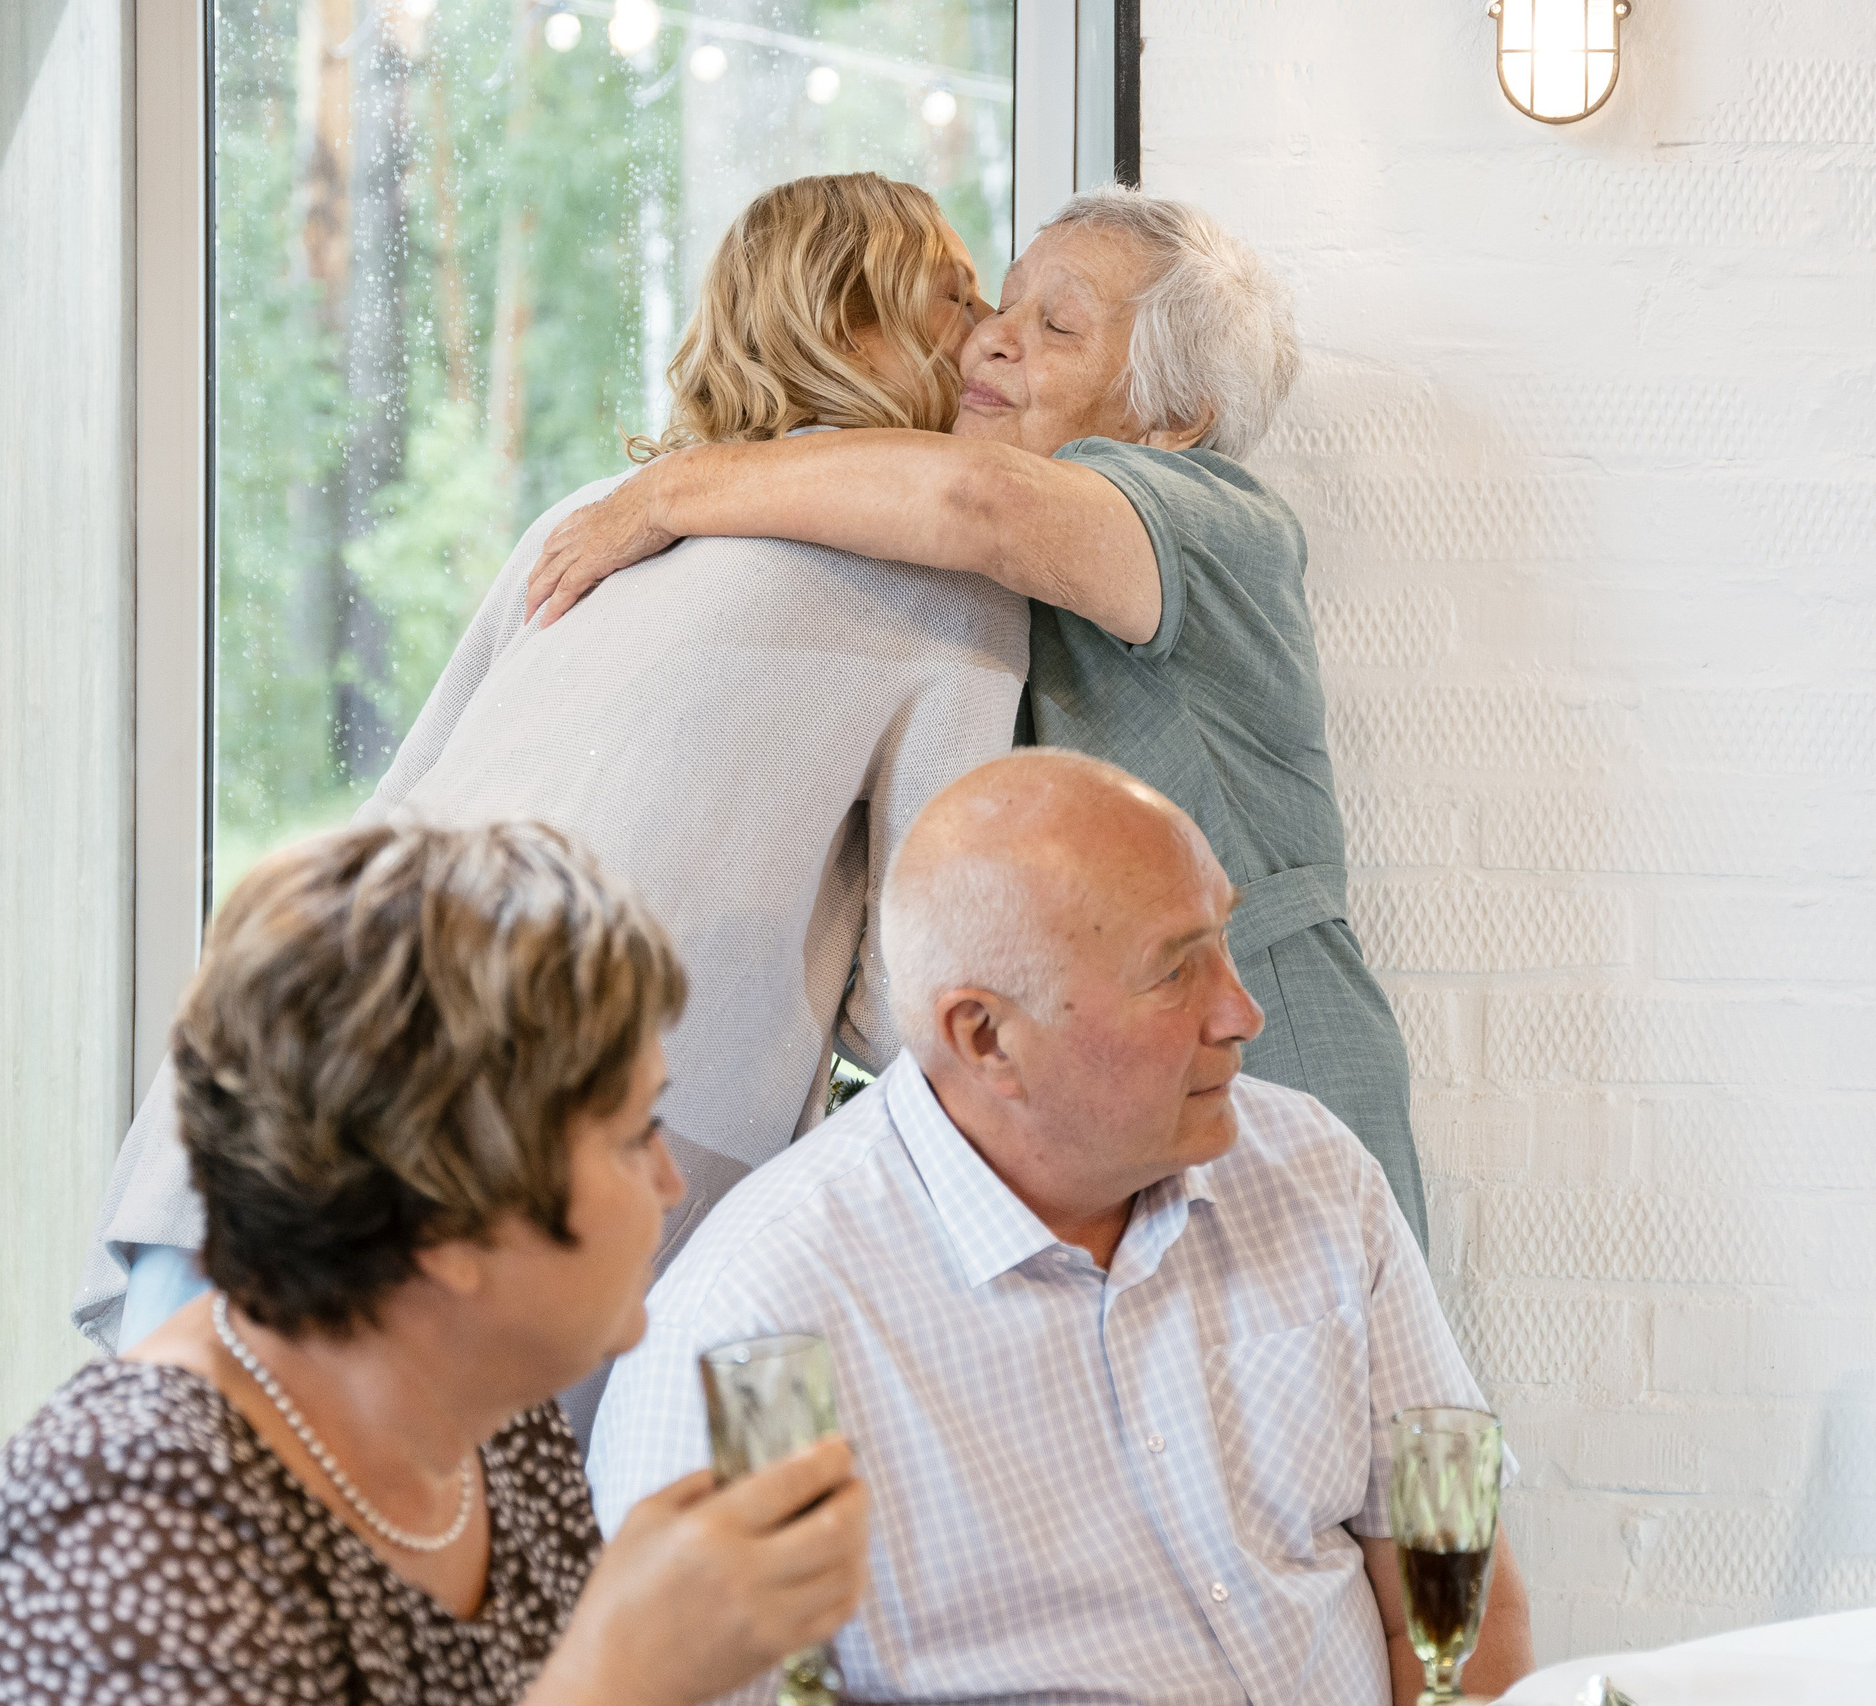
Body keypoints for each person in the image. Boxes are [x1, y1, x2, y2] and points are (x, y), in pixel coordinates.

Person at [74, 174, 1033, 1371]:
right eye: (952, 300)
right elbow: (912, 985)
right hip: (596, 1115)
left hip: (311, 1042)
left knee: (183, 1482)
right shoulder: (948, 576)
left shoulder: (594, 515)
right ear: (849, 325)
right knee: (486, 1515)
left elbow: (404, 791)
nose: (987, 332)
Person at [530, 185, 1429, 1247]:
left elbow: (974, 503)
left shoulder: (1209, 519)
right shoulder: (977, 596)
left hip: (1259, 1060)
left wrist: (664, 494)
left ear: (1171, 416)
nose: (991, 341)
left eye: (1055, 325)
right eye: (999, 307)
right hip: (1093, 1097)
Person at [586, 750, 1531, 1705]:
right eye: (1174, 971)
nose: (1241, 1012)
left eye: (1223, 942)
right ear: (986, 1037)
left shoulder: (1312, 1170)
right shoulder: (752, 1322)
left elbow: (1460, 1588)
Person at [0, 822, 870, 1706]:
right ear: (446, 1216)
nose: (666, 1180)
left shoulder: (485, 1425)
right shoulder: (127, 1545)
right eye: (629, 1136)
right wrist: (618, 1681)